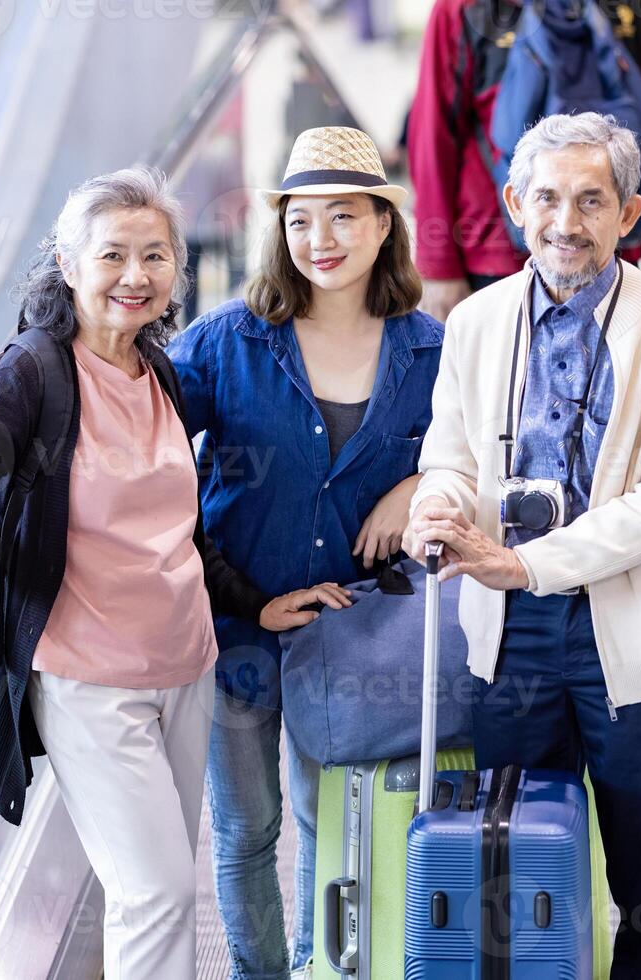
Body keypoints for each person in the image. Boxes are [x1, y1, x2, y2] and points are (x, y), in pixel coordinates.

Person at [0, 168, 347, 978]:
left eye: (154, 256)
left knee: (164, 890)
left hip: (186, 667)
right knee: (157, 892)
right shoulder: (35, 370)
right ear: (69, 266)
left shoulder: (161, 373)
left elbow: (182, 529)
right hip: (87, 678)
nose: (135, 276)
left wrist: (256, 603)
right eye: (113, 256)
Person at [403, 113, 641, 978]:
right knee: (520, 871)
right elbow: (452, 457)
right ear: (513, 203)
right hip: (512, 638)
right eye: (546, 198)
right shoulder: (474, 322)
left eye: (590, 200)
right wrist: (436, 506)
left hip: (635, 639)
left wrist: (529, 563)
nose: (565, 223)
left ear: (630, 214)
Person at [168, 126, 439, 980]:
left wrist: (421, 482)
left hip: (359, 633)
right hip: (239, 627)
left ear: (383, 226)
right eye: (300, 220)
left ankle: (328, 965)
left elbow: (482, 459)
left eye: (344, 218)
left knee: (338, 818)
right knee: (247, 828)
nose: (319, 241)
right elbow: (132, 437)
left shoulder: (430, 351)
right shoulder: (228, 342)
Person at [407, 0, 641, 321]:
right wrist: (439, 267)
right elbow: (433, 138)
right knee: (506, 394)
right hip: (499, 261)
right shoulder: (462, 9)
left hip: (607, 253)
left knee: (612, 393)